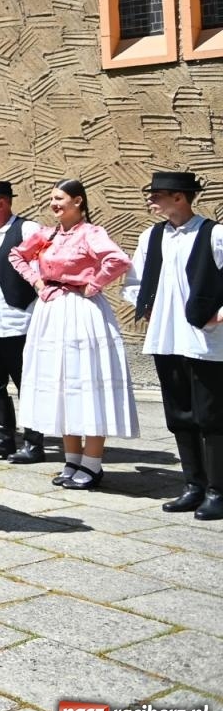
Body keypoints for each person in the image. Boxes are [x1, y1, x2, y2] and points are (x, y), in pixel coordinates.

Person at [9, 180, 136, 490]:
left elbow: (117, 259)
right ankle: (71, 458)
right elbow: (17, 256)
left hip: (82, 312)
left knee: (86, 381)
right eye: (51, 199)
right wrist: (37, 282)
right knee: (62, 382)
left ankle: (92, 464)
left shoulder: (91, 233)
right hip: (52, 312)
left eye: (60, 198)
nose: (54, 204)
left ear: (78, 201)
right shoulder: (46, 234)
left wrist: (94, 283)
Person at [123, 171, 223, 519]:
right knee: (180, 415)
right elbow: (133, 281)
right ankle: (193, 485)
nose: (151, 200)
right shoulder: (151, 237)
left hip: (205, 341)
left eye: (158, 194)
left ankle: (217, 490)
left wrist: (220, 314)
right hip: (167, 339)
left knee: (212, 417)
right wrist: (148, 307)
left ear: (179, 197)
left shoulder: (214, 234)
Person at [0, 180, 49, 464]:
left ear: (2, 202)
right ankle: (1, 439)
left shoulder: (28, 229)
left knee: (27, 385)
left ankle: (33, 442)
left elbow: (45, 268)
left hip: (20, 322)